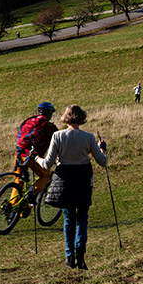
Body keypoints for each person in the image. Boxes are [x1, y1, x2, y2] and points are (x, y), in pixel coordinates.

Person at [37, 104, 111, 270]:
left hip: (65, 181)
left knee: (69, 218)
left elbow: (47, 164)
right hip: (84, 180)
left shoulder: (58, 136)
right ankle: (80, 252)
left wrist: (36, 159)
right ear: (81, 117)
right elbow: (102, 161)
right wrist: (102, 149)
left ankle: (69, 256)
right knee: (83, 216)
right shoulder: (89, 137)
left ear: (66, 118)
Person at [15, 102, 58, 201]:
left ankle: (13, 209)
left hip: (19, 153)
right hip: (31, 156)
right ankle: (31, 194)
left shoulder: (32, 120)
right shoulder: (50, 128)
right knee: (46, 175)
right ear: (49, 113)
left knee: (18, 180)